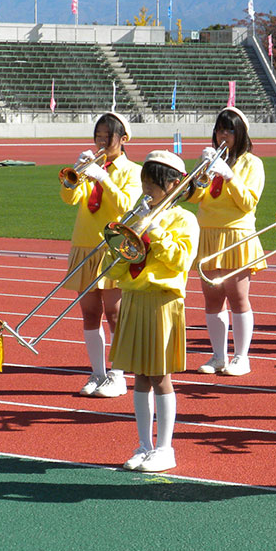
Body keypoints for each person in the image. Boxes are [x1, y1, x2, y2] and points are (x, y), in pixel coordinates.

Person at [105, 151, 199, 472]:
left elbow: (180, 260)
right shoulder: (137, 214)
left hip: (161, 301)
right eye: (144, 181)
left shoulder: (184, 219)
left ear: (174, 185)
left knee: (160, 376)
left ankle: (165, 448)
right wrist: (120, 240)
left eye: (153, 184)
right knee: (139, 376)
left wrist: (153, 228)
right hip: (134, 298)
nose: (146, 189)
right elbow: (118, 265)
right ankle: (144, 445)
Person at [60, 112, 142, 398]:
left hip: (112, 247)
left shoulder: (133, 171)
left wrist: (104, 179)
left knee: (115, 313)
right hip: (84, 243)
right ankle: (97, 373)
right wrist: (75, 175)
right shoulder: (92, 166)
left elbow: (125, 207)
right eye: (98, 137)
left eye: (108, 137)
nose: (102, 142)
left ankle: (118, 374)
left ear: (123, 139)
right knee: (90, 313)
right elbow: (70, 199)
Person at [189, 107, 265, 377]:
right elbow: (194, 198)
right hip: (208, 232)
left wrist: (229, 176)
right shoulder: (212, 160)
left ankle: (241, 357)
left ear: (241, 133)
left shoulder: (252, 163)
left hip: (236, 233)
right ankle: (219, 355)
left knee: (238, 297)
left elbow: (247, 203)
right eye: (220, 129)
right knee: (212, 299)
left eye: (230, 130)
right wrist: (202, 175)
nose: (224, 135)